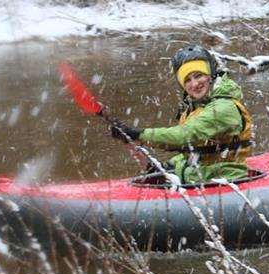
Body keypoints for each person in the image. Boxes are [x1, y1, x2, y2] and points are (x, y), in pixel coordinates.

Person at [108, 46, 253, 184]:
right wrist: (168, 165)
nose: (194, 84)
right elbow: (195, 152)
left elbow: (185, 136)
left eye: (198, 76)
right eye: (187, 80)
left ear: (211, 76)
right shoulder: (194, 106)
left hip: (226, 182)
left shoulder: (223, 108)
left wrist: (137, 135)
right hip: (200, 179)